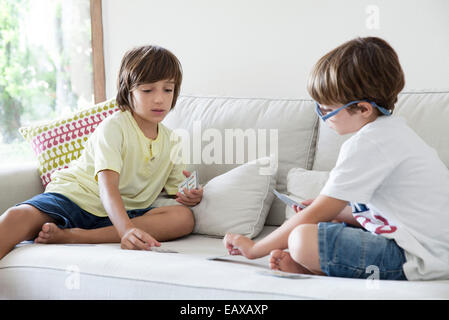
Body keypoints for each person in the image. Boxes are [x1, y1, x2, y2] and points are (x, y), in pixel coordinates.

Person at [223, 37, 449, 281]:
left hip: (415, 258)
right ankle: (313, 269)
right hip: (426, 250)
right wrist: (340, 214)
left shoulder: (369, 143)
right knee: (320, 228)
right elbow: (394, 214)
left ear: (363, 109)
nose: (322, 116)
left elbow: (315, 214)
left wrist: (255, 248)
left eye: (327, 110)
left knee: (302, 238)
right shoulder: (395, 133)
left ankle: (313, 266)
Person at [0, 45, 202, 260]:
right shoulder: (115, 127)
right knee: (17, 217)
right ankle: (81, 231)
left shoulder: (172, 141)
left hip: (122, 213)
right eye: (147, 90)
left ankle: (76, 237)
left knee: (183, 218)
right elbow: (108, 186)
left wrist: (190, 195)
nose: (159, 99)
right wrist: (125, 230)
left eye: (167, 89)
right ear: (128, 91)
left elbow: (175, 191)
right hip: (74, 199)